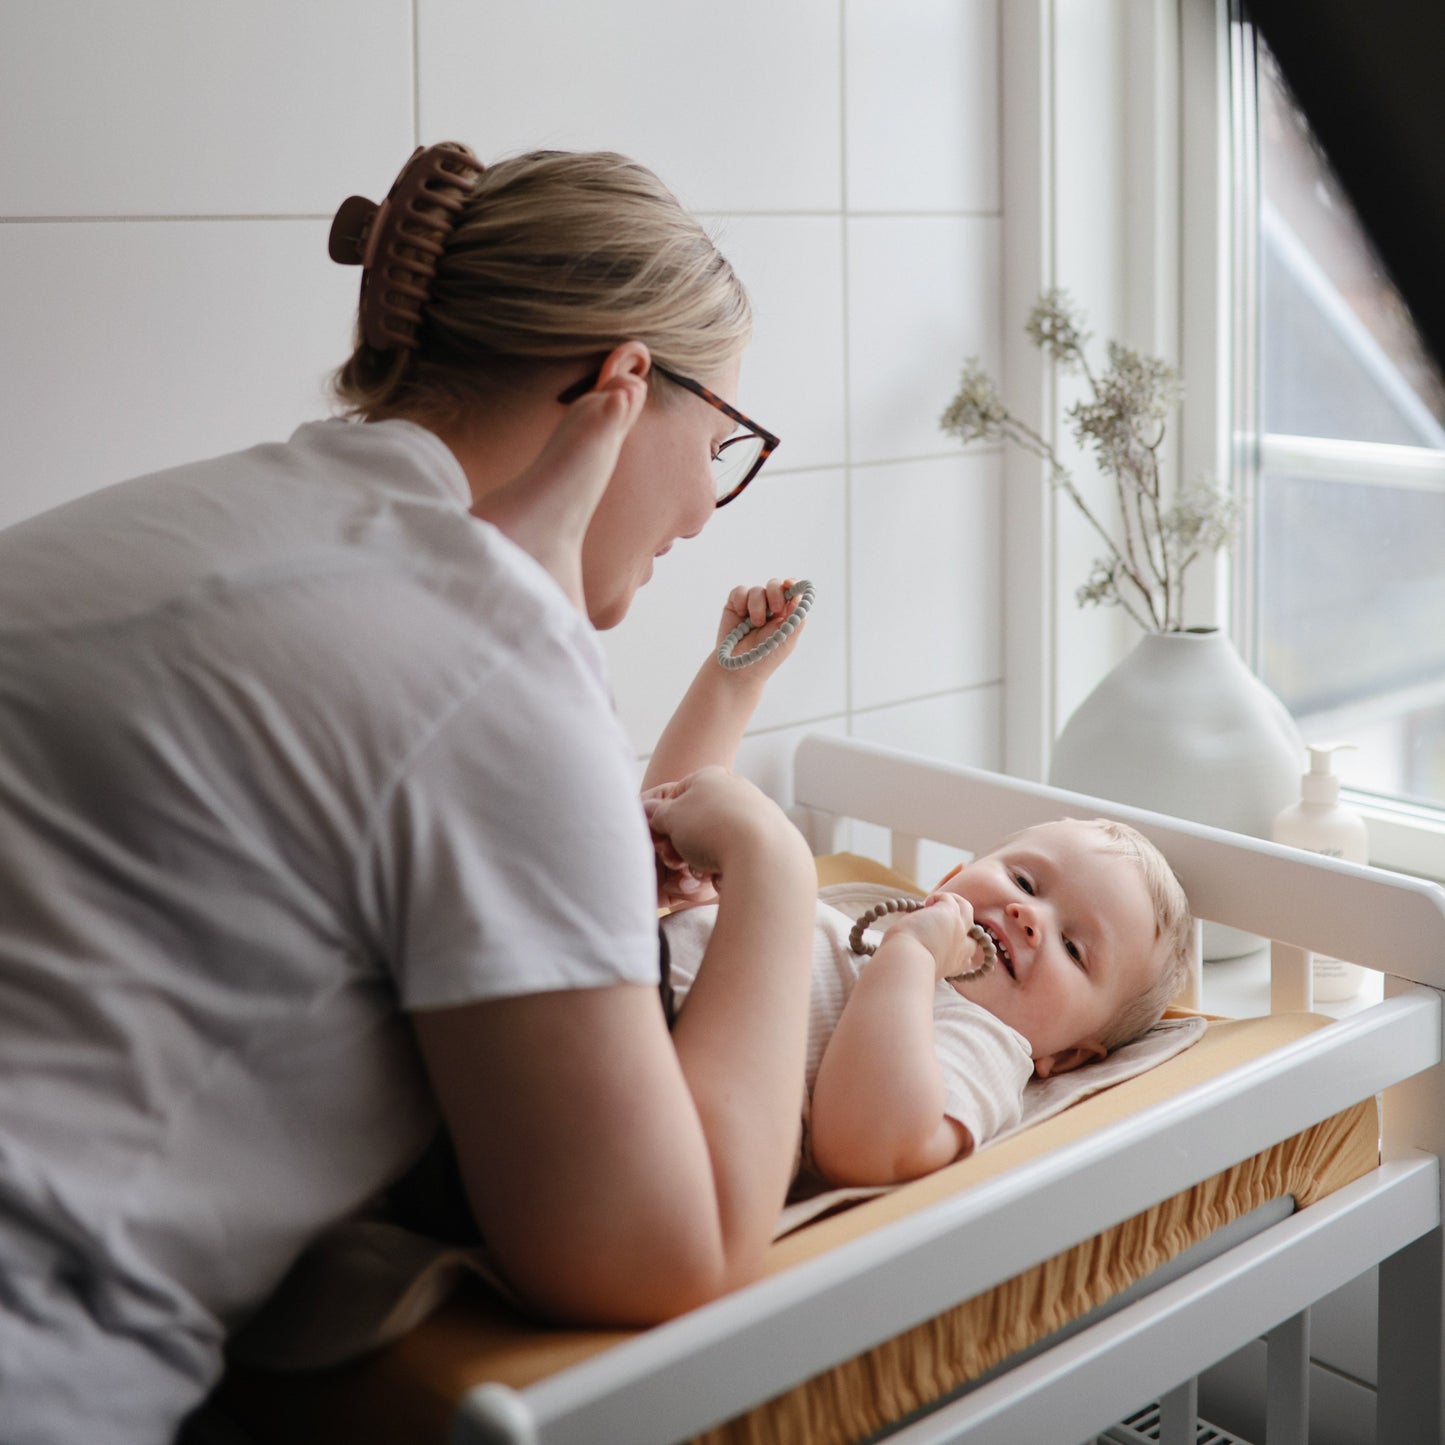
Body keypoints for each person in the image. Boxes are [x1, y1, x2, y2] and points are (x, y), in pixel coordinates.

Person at [0, 142, 821, 1442]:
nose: (708, 513)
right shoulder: (488, 652)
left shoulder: (175, 522)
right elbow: (680, 1245)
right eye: (720, 442)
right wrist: (776, 863)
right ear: (623, 382)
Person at [651, 584, 1195, 1189]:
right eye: (1023, 879)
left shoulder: (987, 1040)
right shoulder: (850, 932)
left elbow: (869, 1146)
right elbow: (670, 846)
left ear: (1064, 1058)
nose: (1028, 915)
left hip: (656, 1086)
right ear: (951, 879)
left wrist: (910, 957)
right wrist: (732, 683)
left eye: (1073, 948)